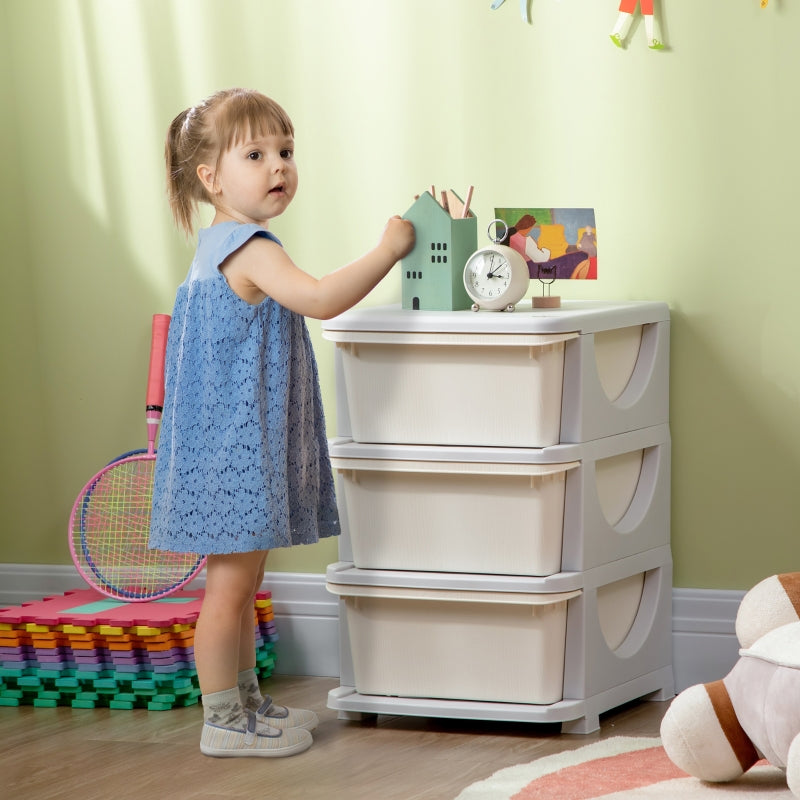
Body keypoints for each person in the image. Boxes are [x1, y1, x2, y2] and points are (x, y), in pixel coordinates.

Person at [149, 88, 415, 759]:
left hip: (231, 448)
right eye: (257, 154)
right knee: (229, 590)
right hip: (235, 452)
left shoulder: (219, 246)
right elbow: (321, 298)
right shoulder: (248, 247)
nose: (279, 167)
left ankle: (242, 702)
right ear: (210, 177)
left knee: (239, 588)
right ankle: (220, 718)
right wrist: (388, 250)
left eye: (286, 152)